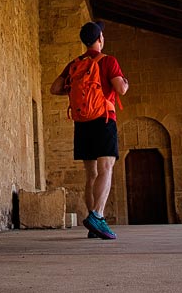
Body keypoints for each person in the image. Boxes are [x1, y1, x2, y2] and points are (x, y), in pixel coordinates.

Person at [50, 20, 129, 240]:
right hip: (104, 119)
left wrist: (74, 89)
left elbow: (54, 88)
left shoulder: (75, 63)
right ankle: (98, 215)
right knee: (106, 168)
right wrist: (125, 81)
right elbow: (120, 89)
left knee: (91, 174)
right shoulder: (108, 61)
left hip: (82, 122)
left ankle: (93, 223)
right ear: (100, 39)